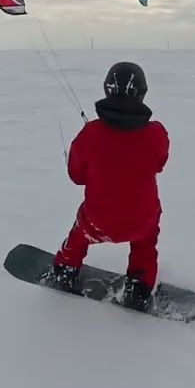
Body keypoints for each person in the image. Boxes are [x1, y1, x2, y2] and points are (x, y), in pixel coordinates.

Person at [44, 61, 170, 311]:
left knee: (80, 234)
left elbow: (76, 176)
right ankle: (139, 286)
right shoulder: (156, 133)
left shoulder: (90, 134)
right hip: (142, 221)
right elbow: (159, 163)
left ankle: (65, 270)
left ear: (107, 90)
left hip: (96, 221)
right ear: (143, 93)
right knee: (145, 242)